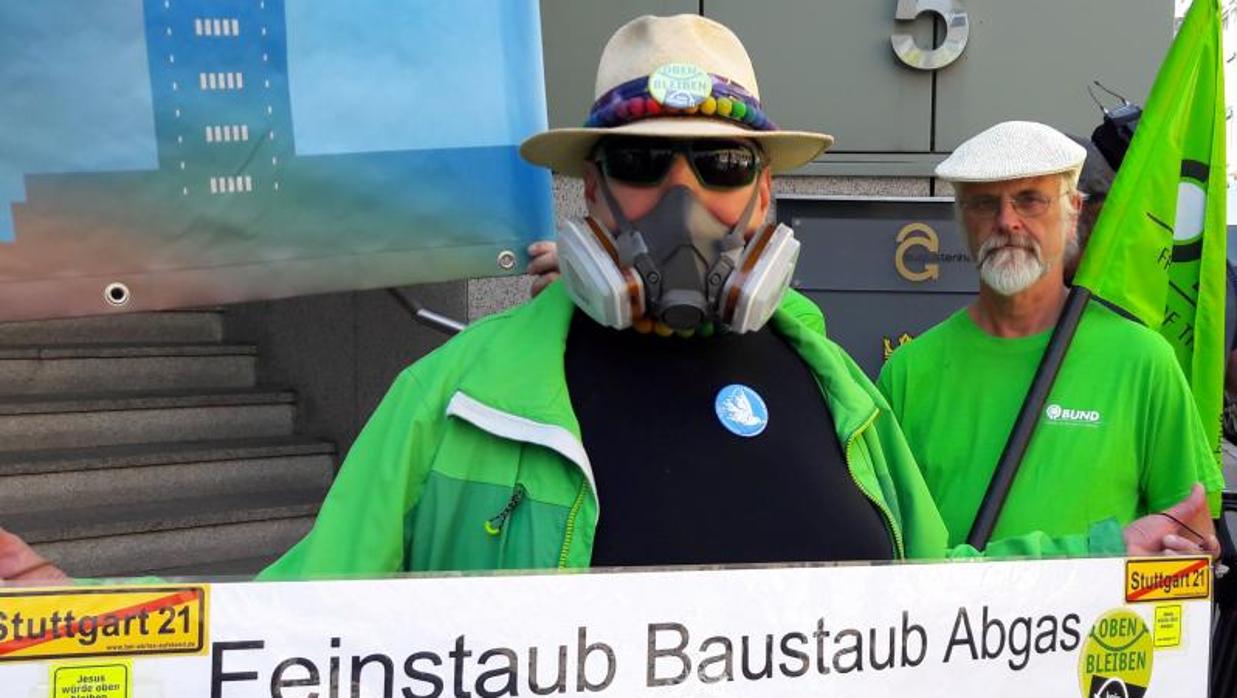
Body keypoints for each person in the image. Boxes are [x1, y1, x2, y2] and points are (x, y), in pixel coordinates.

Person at [0, 17, 1214, 584]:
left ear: (763, 195)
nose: (683, 196)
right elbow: (292, 629)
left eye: (723, 163)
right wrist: (83, 622)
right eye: (642, 163)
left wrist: (1116, 546)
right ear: (587, 186)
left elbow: (942, 589)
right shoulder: (456, 401)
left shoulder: (838, 390)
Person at [876, 120, 1224, 547]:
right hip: (953, 616)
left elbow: (1193, 533)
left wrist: (1184, 559)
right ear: (960, 220)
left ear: (1074, 210)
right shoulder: (909, 372)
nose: (1007, 221)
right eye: (985, 204)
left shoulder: (1142, 360)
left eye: (1030, 200)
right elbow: (885, 554)